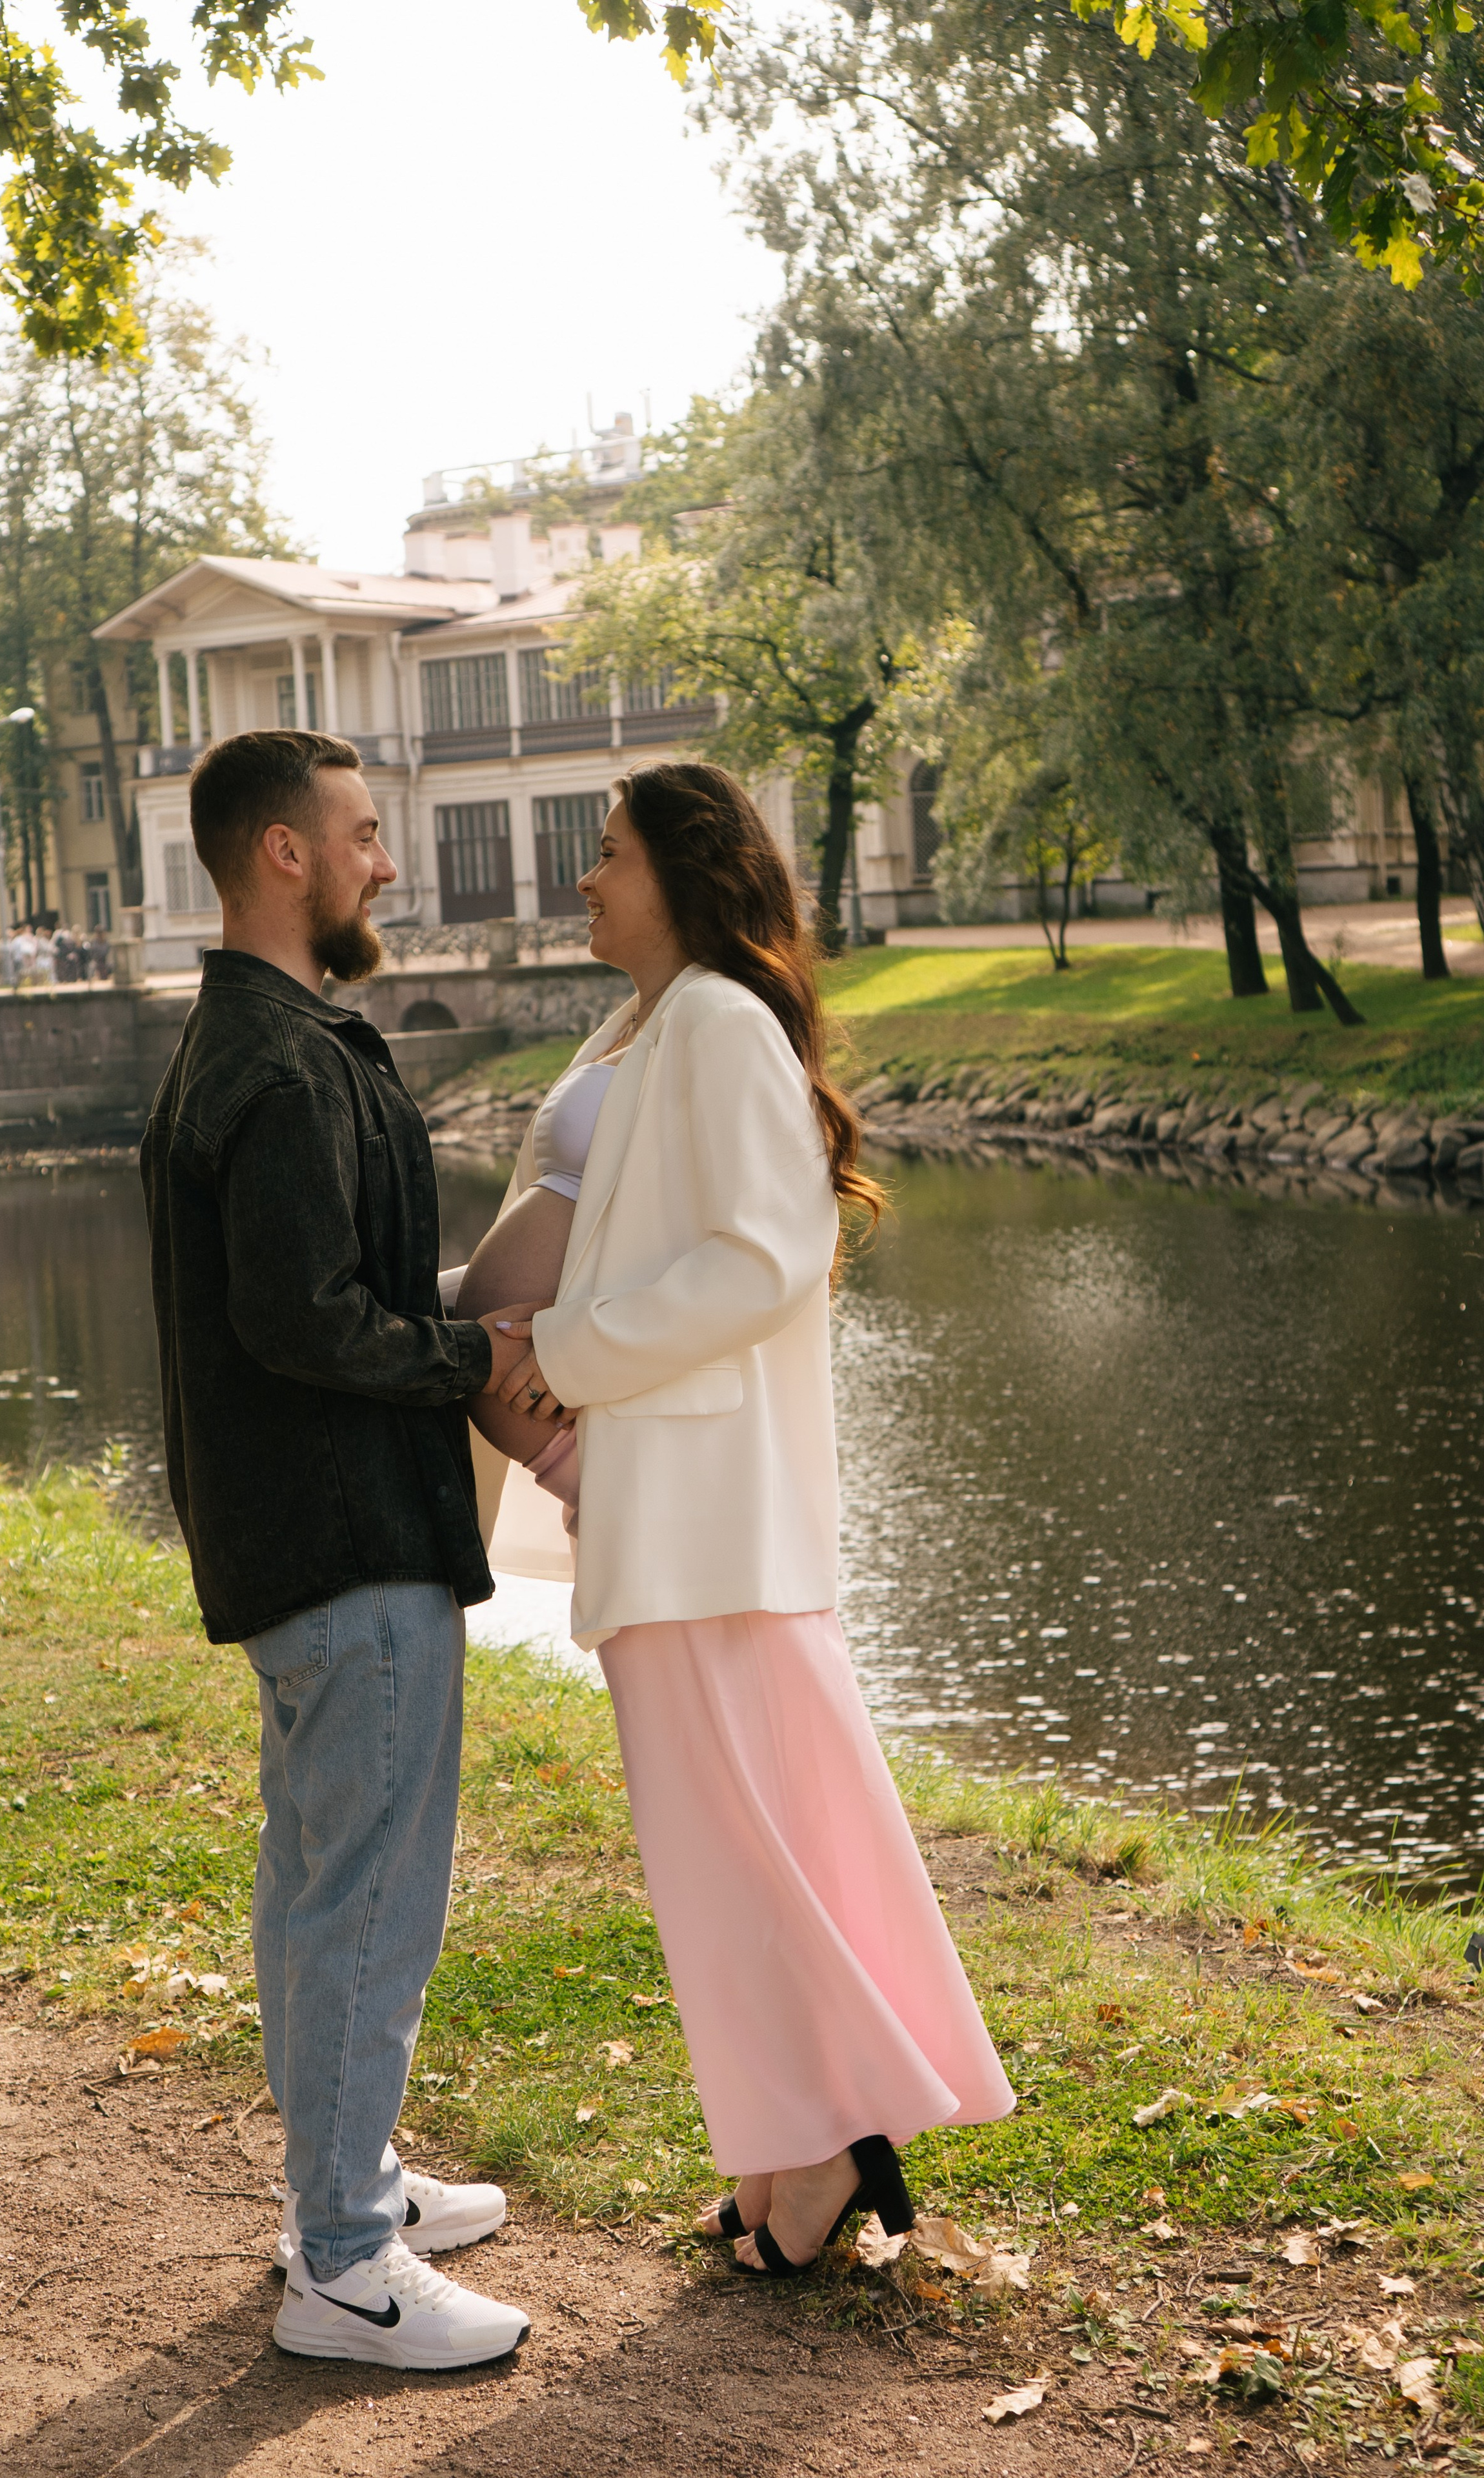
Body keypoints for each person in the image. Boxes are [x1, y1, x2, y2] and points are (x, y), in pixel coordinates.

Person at [456, 762, 1015, 2278]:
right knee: (724, 1847)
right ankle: (784, 2146)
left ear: (686, 874)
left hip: (712, 1512)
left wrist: (565, 1354)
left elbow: (765, 1256)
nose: (585, 880)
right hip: (663, 1499)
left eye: (609, 856)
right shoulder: (642, 1021)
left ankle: (830, 2146)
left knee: (751, 1843)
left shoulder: (712, 1019)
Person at [140, 727, 540, 2371]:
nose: (386, 861)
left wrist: (452, 1320)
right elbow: (302, 1321)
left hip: (305, 1538)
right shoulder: (281, 1064)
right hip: (345, 1540)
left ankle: (341, 2189)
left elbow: (318, 1300)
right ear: (286, 855)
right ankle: (348, 2270)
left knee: (317, 1889)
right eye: (365, 835)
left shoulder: (260, 1039)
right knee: (366, 1898)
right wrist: (475, 1358)